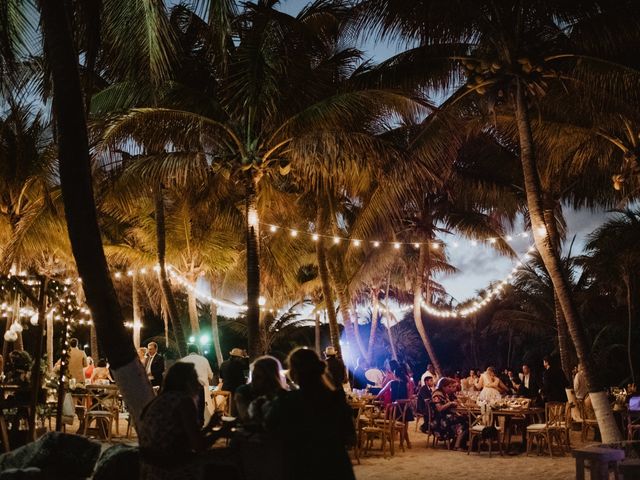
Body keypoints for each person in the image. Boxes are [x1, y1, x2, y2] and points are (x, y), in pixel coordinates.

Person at [265, 348, 355, 480]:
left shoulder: (289, 401)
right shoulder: (336, 398)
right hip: (337, 466)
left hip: (302, 467)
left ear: (294, 372)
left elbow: (270, 428)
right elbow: (350, 438)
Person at [138, 363, 232, 480]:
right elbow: (198, 446)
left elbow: (185, 439)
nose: (198, 384)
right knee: (230, 460)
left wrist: (209, 427)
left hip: (151, 469)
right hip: (173, 469)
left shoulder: (158, 400)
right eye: (195, 379)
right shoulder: (184, 401)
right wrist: (222, 432)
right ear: (186, 382)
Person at [234, 355, 286, 425]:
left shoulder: (282, 395)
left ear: (270, 378)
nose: (253, 381)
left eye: (258, 377)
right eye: (253, 376)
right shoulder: (244, 391)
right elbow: (247, 419)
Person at [179, 344, 214, 426]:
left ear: (188, 351)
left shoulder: (183, 360)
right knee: (201, 408)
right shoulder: (203, 359)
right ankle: (201, 426)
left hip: (187, 389)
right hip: (201, 387)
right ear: (197, 351)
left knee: (190, 409)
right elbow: (211, 375)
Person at [430, 377, 468, 449]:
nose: (450, 388)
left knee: (466, 418)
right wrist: (450, 404)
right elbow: (439, 408)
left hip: (446, 416)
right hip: (439, 419)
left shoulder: (444, 394)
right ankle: (457, 445)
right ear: (443, 387)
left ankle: (457, 443)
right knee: (465, 420)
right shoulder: (437, 394)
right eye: (449, 387)